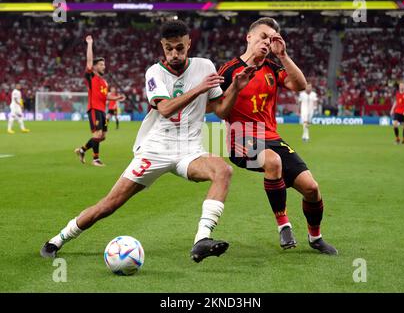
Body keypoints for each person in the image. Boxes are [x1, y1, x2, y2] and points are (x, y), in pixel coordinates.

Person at [40, 20, 254, 263]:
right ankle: (59, 238)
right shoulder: (154, 72)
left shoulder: (205, 66)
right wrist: (198, 89)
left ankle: (201, 239)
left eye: (180, 48)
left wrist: (235, 88)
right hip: (155, 150)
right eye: (169, 48)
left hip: (190, 150)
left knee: (223, 170)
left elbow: (221, 111)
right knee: (109, 205)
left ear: (189, 44)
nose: (174, 54)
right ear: (162, 46)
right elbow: (164, 109)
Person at [212, 17, 338, 255]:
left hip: (271, 137)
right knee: (273, 162)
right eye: (263, 36)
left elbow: (299, 85)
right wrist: (235, 88)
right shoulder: (229, 70)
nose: (267, 42)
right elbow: (219, 110)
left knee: (312, 188)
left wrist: (283, 55)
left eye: (271, 39)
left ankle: (315, 237)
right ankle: (284, 225)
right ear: (249, 37)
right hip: (241, 138)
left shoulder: (271, 66)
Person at [74, 35, 125, 167]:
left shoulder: (104, 81)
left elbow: (105, 96)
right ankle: (96, 159)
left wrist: (117, 98)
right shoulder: (91, 76)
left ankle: (82, 150)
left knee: (102, 136)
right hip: (94, 109)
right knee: (97, 134)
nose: (104, 67)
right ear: (95, 67)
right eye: (101, 64)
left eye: (104, 64)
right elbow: (89, 61)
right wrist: (90, 43)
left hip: (103, 110)